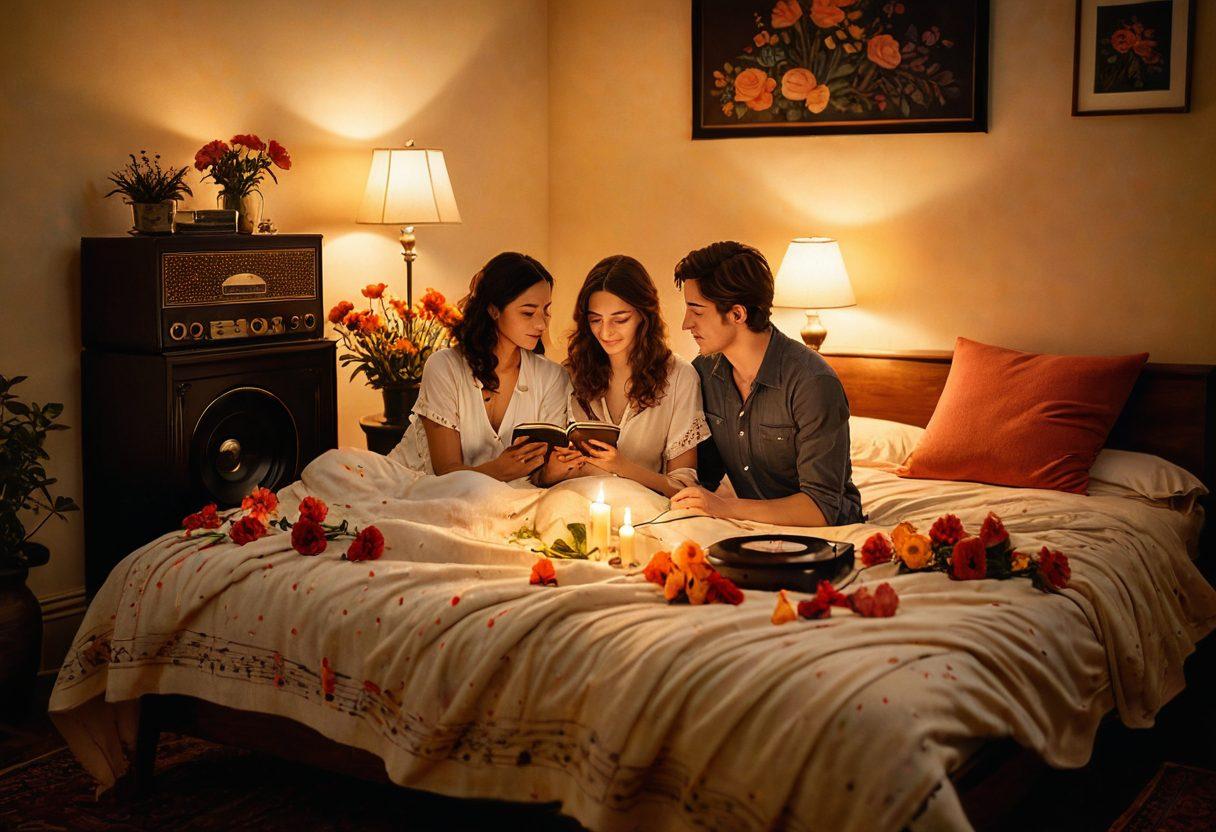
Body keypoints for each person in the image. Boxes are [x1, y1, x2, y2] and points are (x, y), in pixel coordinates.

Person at [669, 241, 863, 527]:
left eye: (697, 311)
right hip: (748, 526)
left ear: (737, 314)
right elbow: (702, 477)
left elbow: (821, 507)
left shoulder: (812, 383)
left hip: (826, 535)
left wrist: (725, 507)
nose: (686, 324)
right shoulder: (705, 372)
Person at [390, 252, 583, 485]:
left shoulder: (552, 378)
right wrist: (499, 470)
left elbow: (538, 479)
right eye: (528, 312)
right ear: (494, 310)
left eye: (546, 311)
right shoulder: (444, 368)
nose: (541, 324)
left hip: (506, 501)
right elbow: (444, 471)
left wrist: (556, 470)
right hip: (416, 487)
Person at [563, 255, 709, 496]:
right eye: (595, 320)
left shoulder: (680, 377)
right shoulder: (570, 373)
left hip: (643, 512)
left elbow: (684, 487)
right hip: (573, 503)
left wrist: (622, 467)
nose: (606, 332)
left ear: (643, 313)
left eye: (620, 319)